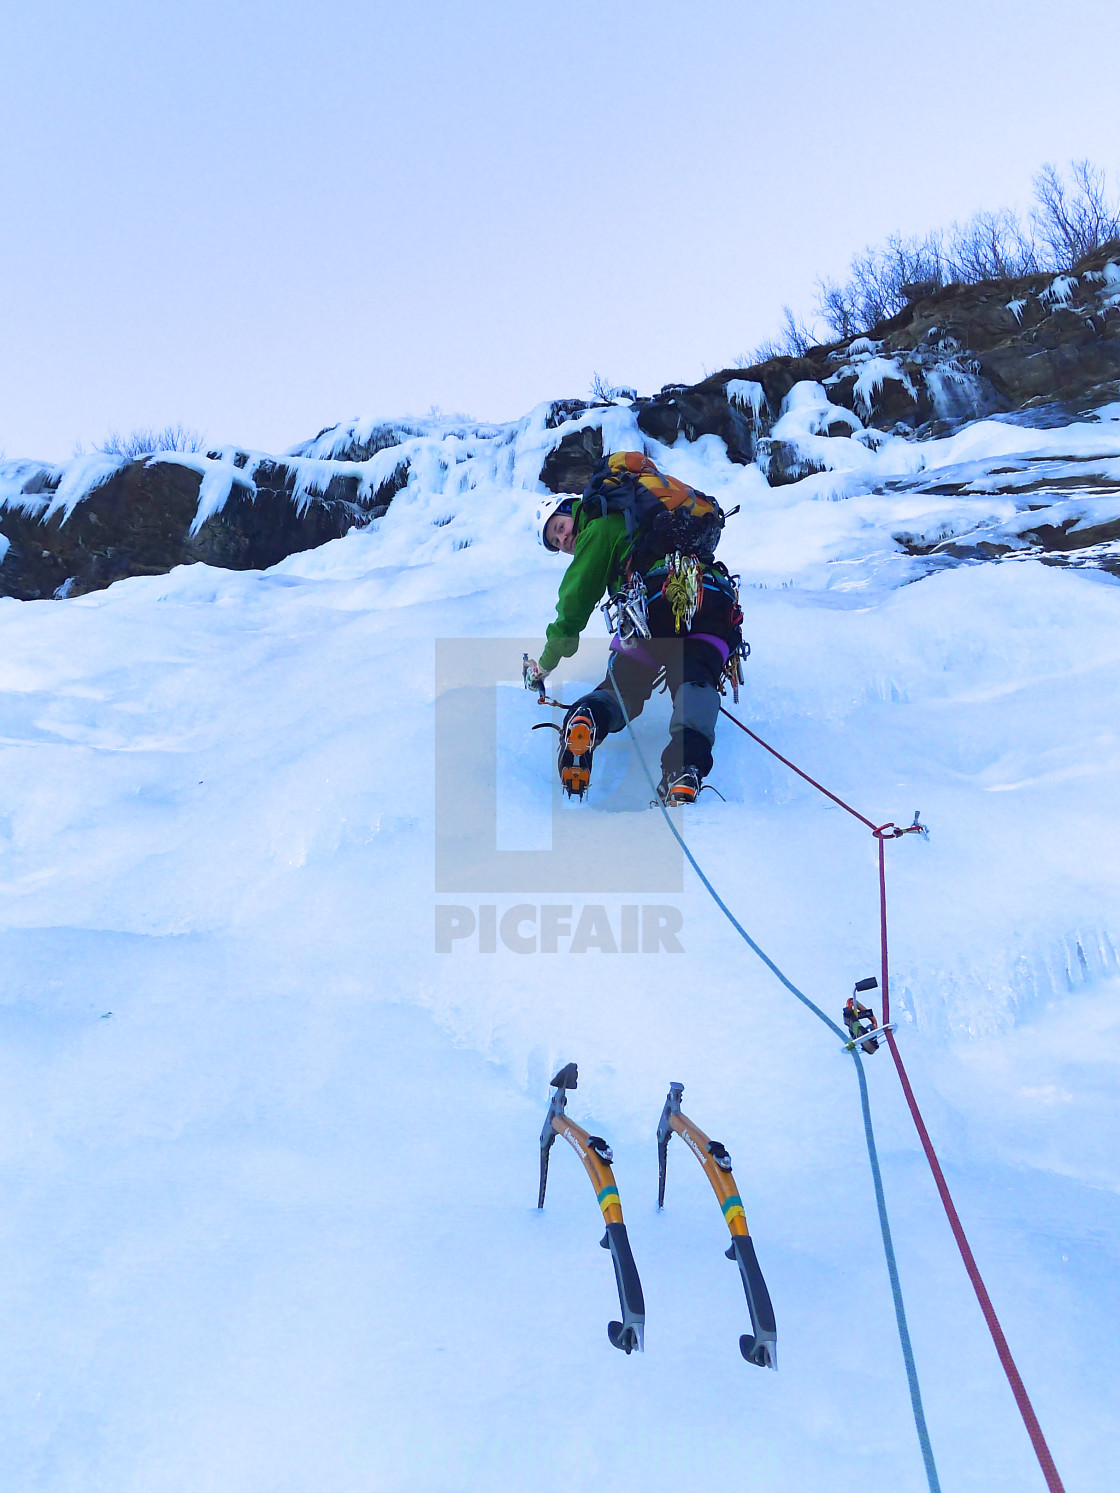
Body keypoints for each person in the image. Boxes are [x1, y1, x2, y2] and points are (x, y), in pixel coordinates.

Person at [525, 452, 743, 806]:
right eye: (557, 542)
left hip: (650, 606)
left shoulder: (598, 526)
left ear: (572, 508)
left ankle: (588, 718)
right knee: (696, 678)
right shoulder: (645, 513)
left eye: (560, 528)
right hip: (711, 597)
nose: (565, 540)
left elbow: (572, 608)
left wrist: (546, 663)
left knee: (624, 687)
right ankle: (685, 769)